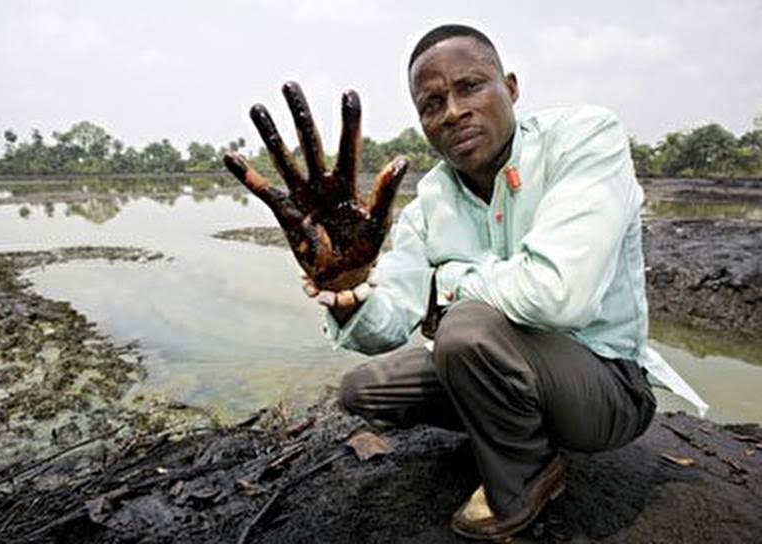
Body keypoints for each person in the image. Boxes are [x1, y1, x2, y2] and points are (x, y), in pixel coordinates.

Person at [224, 24, 707, 542]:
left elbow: (559, 293)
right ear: (423, 123)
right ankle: (509, 425)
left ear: (512, 88)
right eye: (432, 103)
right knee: (364, 388)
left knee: (464, 331)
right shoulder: (431, 199)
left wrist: (448, 285)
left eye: (470, 87)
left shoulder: (584, 138)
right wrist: (349, 287)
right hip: (506, 365)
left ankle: (527, 476)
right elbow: (388, 323)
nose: (452, 111)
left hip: (606, 386)